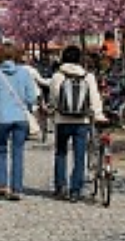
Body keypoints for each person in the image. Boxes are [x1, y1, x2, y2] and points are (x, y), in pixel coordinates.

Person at [38, 46, 106, 202]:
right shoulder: (88, 76)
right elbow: (94, 98)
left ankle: (60, 186)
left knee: (61, 153)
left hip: (62, 120)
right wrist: (98, 115)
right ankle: (76, 190)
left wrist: (51, 110)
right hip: (82, 121)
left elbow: (54, 98)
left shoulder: (58, 76)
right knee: (80, 156)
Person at [0, 47, 40, 201]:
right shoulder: (25, 73)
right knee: (18, 152)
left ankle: (1, 185)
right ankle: (16, 188)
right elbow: (32, 97)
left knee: (1, 150)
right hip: (21, 118)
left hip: (2, 118)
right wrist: (26, 106)